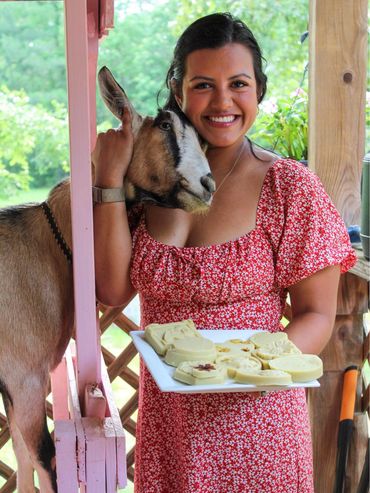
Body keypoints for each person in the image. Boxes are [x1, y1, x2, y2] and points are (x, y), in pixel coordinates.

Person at [93, 12, 356, 493]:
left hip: (257, 426)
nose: (222, 102)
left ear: (258, 90)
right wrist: (109, 180)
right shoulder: (149, 179)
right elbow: (112, 290)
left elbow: (317, 315)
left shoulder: (290, 189)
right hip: (170, 428)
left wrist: (240, 370)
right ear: (178, 90)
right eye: (202, 85)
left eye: (238, 83)